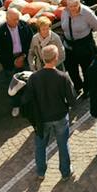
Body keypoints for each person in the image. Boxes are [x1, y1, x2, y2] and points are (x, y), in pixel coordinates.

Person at [22, 44, 76, 180]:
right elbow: (72, 99)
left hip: (41, 118)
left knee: (40, 146)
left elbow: (26, 99)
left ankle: (40, 172)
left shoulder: (34, 78)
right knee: (63, 145)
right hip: (59, 116)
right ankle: (65, 173)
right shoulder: (62, 77)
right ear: (56, 58)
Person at [0, 8, 34, 116]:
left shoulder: (24, 26)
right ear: (7, 19)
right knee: (13, 85)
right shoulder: (1, 32)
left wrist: (23, 56)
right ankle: (16, 105)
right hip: (10, 62)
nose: (17, 22)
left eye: (18, 19)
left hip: (24, 58)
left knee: (30, 82)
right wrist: (13, 62)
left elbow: (31, 42)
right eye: (14, 20)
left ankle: (32, 103)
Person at [59, 0, 97, 97]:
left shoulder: (87, 13)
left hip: (84, 45)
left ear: (79, 3)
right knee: (71, 69)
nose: (72, 8)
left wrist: (85, 34)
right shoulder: (64, 12)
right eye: (70, 6)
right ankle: (78, 86)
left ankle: (88, 88)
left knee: (87, 69)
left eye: (75, 5)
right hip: (69, 45)